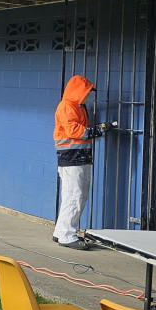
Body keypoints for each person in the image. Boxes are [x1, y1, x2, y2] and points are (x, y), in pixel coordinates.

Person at [53, 74, 112, 250]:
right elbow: (74, 130)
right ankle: (67, 235)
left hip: (75, 158)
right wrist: (96, 131)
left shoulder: (76, 107)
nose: (88, 96)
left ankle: (61, 232)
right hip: (73, 159)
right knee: (76, 196)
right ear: (78, 91)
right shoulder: (67, 107)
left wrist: (96, 130)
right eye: (86, 92)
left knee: (71, 197)